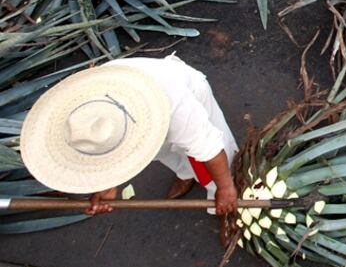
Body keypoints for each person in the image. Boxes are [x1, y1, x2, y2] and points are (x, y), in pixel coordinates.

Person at [20, 56, 239, 226]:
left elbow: (211, 149)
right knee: (166, 153)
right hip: (143, 117)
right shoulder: (85, 112)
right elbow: (102, 147)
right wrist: (107, 186)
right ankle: (185, 174)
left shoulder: (178, 108)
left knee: (212, 164)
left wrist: (226, 189)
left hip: (185, 94)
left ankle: (223, 202)